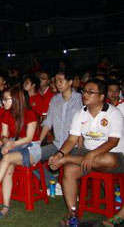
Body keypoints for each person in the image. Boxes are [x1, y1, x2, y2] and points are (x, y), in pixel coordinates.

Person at [48, 79, 124, 226]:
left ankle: (69, 159)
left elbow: (113, 142)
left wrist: (91, 154)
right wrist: (60, 154)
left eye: (91, 92)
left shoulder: (113, 113)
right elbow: (71, 140)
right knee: (69, 170)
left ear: (101, 96)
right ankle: (72, 213)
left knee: (109, 159)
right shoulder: (80, 113)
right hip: (86, 155)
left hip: (113, 156)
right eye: (84, 91)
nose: (85, 95)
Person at [0, 87, 41, 218]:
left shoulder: (30, 113)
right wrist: (7, 142)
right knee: (7, 168)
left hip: (30, 148)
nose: (3, 102)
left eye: (6, 100)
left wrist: (10, 144)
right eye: (3, 100)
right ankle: (6, 206)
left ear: (17, 100)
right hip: (14, 146)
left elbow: (29, 138)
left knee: (6, 159)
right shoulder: (6, 114)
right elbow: (4, 136)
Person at [39, 71, 83, 163]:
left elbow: (84, 122)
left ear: (70, 82)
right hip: (57, 145)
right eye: (56, 81)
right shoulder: (55, 100)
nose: (57, 84)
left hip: (73, 146)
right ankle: (49, 177)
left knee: (60, 162)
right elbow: (48, 122)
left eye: (60, 81)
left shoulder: (80, 99)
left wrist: (81, 139)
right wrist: (38, 142)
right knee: (30, 156)